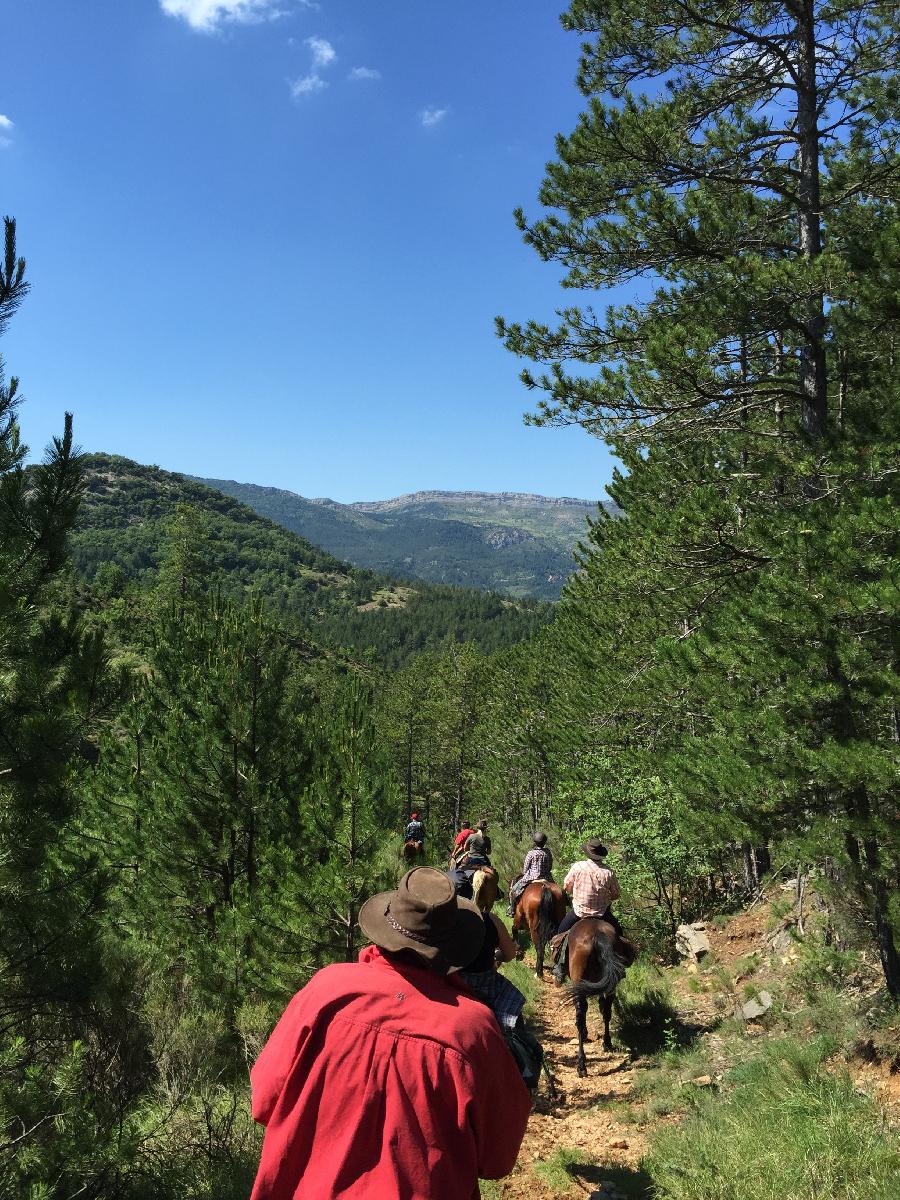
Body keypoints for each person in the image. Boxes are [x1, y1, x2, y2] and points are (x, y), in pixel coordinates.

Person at [249, 867, 531, 1200]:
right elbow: (497, 1159)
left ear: (385, 928)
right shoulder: (474, 1031)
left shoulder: (323, 990)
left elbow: (263, 1101)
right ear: (454, 946)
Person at [551, 838, 622, 983]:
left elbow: (566, 886)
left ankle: (559, 967)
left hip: (579, 912)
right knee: (619, 935)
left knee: (559, 935)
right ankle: (620, 966)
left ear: (588, 853)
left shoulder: (578, 867)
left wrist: (576, 892)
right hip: (602, 914)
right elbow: (616, 894)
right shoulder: (608, 871)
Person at [507, 832, 554, 916]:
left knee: (513, 891)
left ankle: (512, 910)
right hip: (546, 878)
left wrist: (528, 873)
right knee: (557, 891)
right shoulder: (548, 852)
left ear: (535, 842)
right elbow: (550, 867)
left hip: (531, 878)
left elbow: (525, 869)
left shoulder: (531, 853)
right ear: (544, 842)